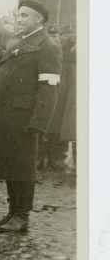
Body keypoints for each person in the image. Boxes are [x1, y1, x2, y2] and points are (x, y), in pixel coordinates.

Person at [0, 0, 62, 233]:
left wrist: (39, 123)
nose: (19, 19)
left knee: (23, 167)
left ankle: (22, 215)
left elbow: (50, 89)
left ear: (40, 20)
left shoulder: (48, 47)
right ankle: (13, 211)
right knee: (11, 164)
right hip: (6, 116)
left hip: (25, 119)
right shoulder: (16, 40)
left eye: (25, 15)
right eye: (18, 14)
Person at [37, 22, 69, 169]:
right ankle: (40, 157)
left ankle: (56, 158)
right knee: (43, 126)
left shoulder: (67, 52)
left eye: (55, 35)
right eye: (50, 35)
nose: (53, 38)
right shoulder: (42, 49)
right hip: (46, 92)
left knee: (57, 128)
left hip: (61, 94)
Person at [58, 25, 77, 168]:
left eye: (71, 35)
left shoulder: (75, 50)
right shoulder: (60, 49)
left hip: (71, 89)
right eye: (65, 35)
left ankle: (63, 156)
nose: (68, 37)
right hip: (62, 88)